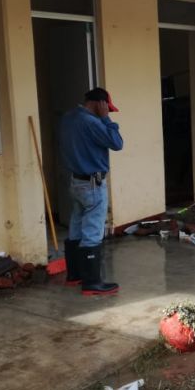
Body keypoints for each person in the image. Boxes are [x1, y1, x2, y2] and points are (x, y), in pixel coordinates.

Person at [59, 87, 123, 296]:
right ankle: (92, 282)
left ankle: (74, 275)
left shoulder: (69, 117)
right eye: (107, 108)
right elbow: (117, 143)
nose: (107, 112)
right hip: (93, 184)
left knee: (76, 225)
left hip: (76, 181)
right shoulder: (92, 122)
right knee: (93, 231)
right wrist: (106, 120)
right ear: (100, 104)